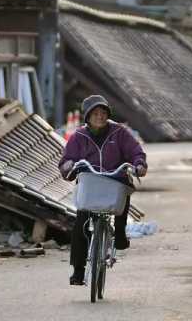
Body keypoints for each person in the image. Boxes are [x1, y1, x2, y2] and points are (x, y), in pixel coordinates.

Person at [58, 95, 147, 286]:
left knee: (123, 196)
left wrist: (139, 164)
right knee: (80, 224)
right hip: (90, 182)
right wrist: (67, 166)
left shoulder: (119, 133)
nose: (100, 116)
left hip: (115, 178)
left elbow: (135, 151)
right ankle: (78, 271)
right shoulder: (79, 137)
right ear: (87, 117)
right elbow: (67, 158)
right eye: (95, 113)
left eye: (103, 113)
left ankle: (120, 234)